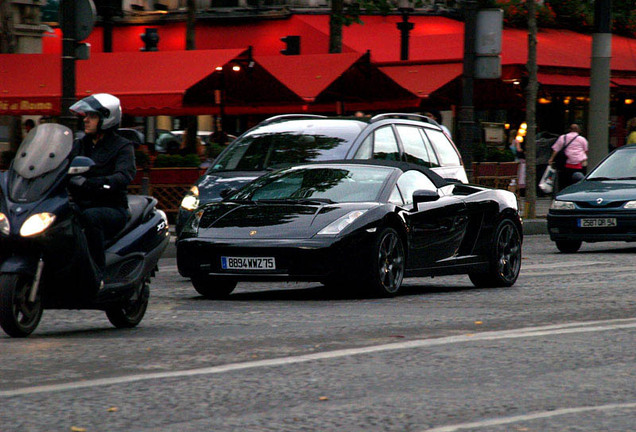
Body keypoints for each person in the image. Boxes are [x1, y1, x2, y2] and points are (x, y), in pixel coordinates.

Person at [68, 93, 136, 288]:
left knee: (91, 217)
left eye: (92, 116)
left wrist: (92, 184)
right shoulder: (80, 144)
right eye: (85, 115)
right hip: (80, 204)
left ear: (107, 118)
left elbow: (123, 176)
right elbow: (61, 164)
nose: (86, 119)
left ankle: (96, 274)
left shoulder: (123, 146)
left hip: (112, 208)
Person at [548, 123, 588, 191]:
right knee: (578, 179)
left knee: (564, 181)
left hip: (566, 163)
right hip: (579, 164)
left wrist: (551, 159)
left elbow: (556, 149)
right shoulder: (582, 139)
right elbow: (586, 150)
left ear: (569, 129)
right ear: (578, 130)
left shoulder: (563, 137)